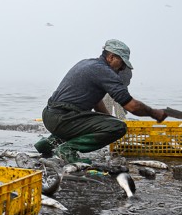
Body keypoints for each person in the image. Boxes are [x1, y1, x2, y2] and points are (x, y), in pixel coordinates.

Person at [35, 39, 167, 163]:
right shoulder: (104, 71)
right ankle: (68, 150)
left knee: (94, 122)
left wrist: (108, 119)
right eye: (122, 63)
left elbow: (97, 102)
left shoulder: (87, 63)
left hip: (50, 115)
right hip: (64, 119)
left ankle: (47, 144)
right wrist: (154, 113)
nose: (122, 68)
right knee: (119, 127)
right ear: (111, 57)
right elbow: (132, 106)